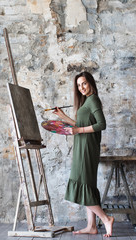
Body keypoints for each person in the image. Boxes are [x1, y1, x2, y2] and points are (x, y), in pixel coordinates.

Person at [53, 72, 114, 237]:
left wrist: (78, 130)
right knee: (88, 185)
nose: (81, 88)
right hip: (83, 146)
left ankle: (106, 219)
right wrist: (62, 116)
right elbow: (79, 124)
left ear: (91, 83)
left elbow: (102, 124)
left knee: (82, 183)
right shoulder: (86, 101)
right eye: (79, 86)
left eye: (84, 84)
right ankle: (91, 226)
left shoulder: (93, 99)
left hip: (87, 147)